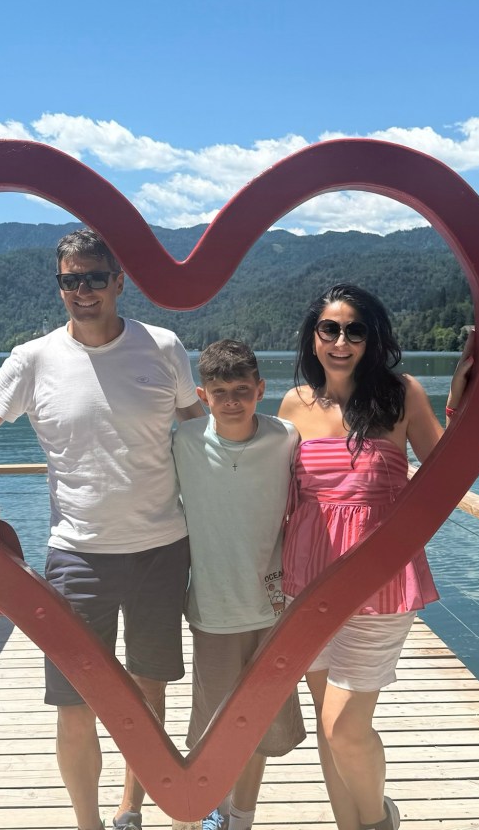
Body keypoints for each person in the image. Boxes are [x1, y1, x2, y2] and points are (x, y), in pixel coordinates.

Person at [0, 229, 204, 830]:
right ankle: (88, 823)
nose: (83, 290)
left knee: (148, 692)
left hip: (162, 548)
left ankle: (130, 809)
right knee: (73, 701)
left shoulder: (162, 347)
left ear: (119, 282)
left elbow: (200, 433)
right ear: (59, 285)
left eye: (94, 277)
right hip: (75, 554)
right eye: (71, 279)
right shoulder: (33, 359)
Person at [279, 284, 473, 830]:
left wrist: (459, 403)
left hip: (379, 580)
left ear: (372, 338)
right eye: (330, 329)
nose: (341, 341)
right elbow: (275, 490)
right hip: (307, 582)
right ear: (313, 337)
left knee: (344, 725)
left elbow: (447, 472)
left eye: (355, 330)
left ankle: (379, 820)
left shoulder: (400, 394)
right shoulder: (294, 404)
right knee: (327, 725)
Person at [172, 340, 306, 830]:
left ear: (260, 390)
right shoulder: (183, 440)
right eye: (220, 391)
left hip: (273, 606)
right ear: (203, 395)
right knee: (212, 725)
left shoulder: (286, 437)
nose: (232, 401)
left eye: (242, 390)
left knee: (261, 723)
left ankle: (242, 816)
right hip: (213, 607)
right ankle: (214, 807)